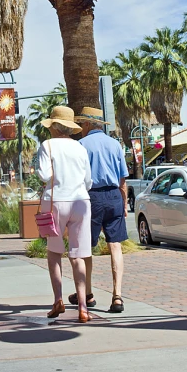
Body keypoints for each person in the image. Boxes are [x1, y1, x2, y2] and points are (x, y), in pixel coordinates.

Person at [37, 106, 93, 323]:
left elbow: (44, 175)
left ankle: (58, 299)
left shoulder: (47, 146)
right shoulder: (80, 147)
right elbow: (88, 180)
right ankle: (82, 307)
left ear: (54, 127)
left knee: (54, 253)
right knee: (78, 255)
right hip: (80, 201)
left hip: (56, 201)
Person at [74, 107, 129, 313]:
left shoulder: (81, 145)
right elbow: (123, 179)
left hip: (92, 197)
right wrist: (123, 203)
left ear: (88, 124)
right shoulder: (115, 145)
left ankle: (88, 293)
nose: (80, 128)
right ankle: (117, 296)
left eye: (81, 124)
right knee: (115, 245)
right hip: (114, 195)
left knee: (87, 246)